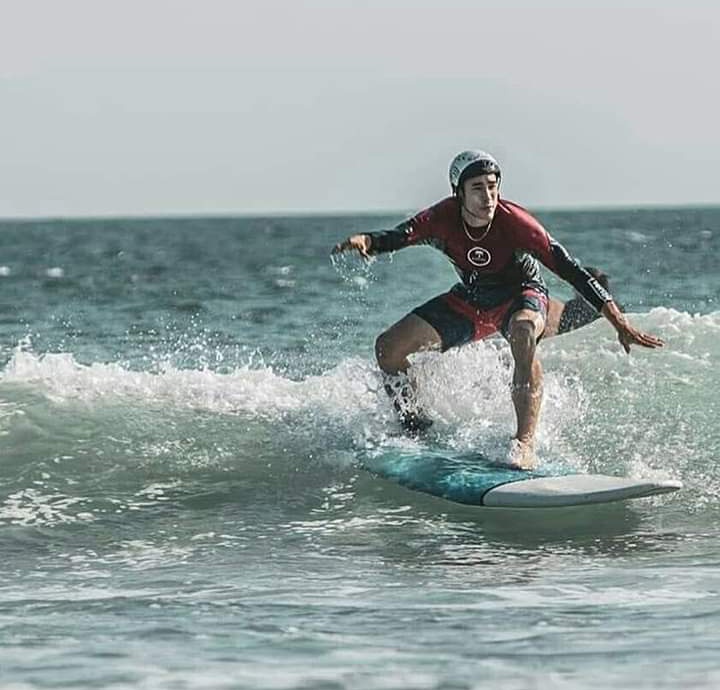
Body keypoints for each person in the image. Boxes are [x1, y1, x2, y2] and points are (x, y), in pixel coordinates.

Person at [333, 150, 663, 469]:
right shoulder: (440, 218)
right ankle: (416, 427)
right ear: (458, 192)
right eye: (477, 188)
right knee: (388, 349)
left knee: (523, 333)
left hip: (523, 295)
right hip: (471, 300)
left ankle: (524, 445)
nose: (488, 196)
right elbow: (400, 235)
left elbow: (571, 269)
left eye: (493, 186)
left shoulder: (518, 224)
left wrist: (619, 323)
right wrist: (368, 240)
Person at [544, 267, 617, 338]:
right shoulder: (613, 306)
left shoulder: (572, 306)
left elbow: (562, 333)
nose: (573, 289)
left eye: (576, 284)